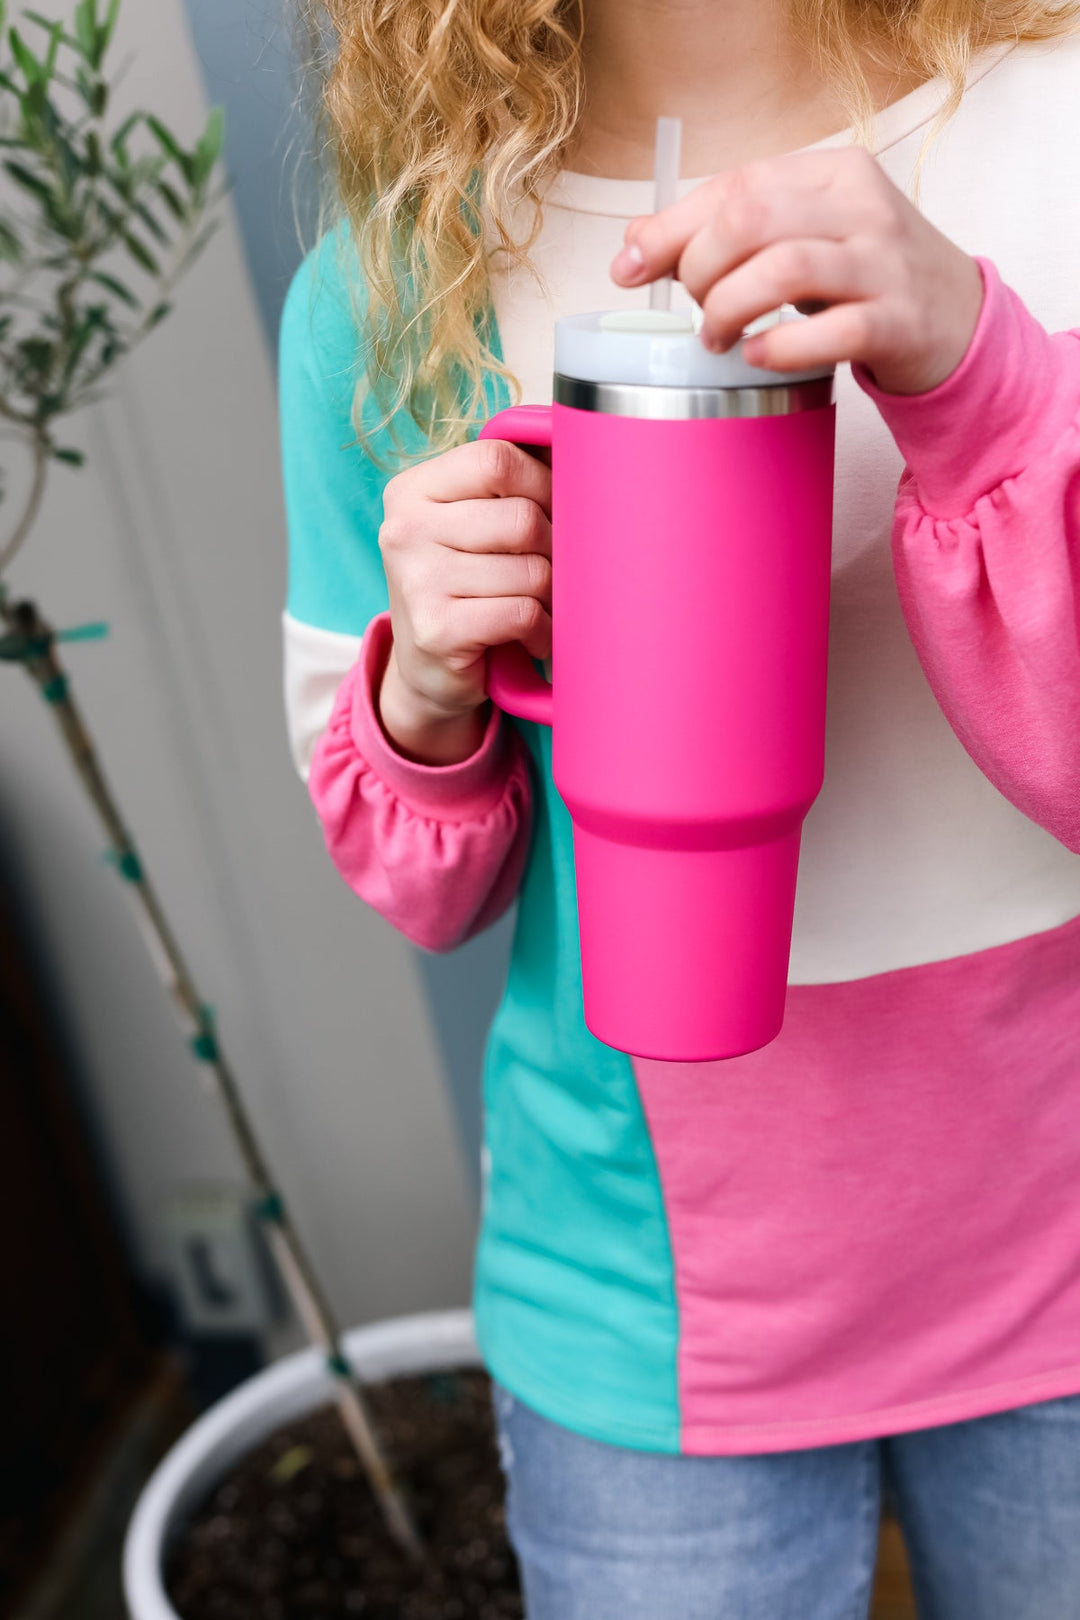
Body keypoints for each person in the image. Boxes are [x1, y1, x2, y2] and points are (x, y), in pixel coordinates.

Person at [279, 2, 1080, 1614]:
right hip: (650, 1313)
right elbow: (424, 889)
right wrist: (426, 687)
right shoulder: (399, 281)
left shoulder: (1055, 136)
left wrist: (979, 368)